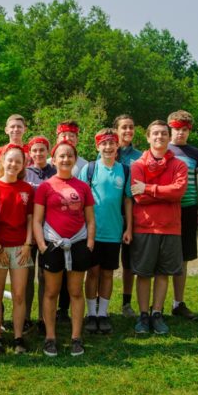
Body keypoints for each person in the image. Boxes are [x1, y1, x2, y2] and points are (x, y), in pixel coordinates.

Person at [33, 140, 95, 357]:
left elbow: (90, 219)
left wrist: (89, 244)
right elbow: (37, 220)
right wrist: (42, 245)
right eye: (61, 156)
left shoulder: (83, 187)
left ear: (75, 159)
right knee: (51, 292)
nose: (65, 159)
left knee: (76, 292)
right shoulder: (45, 187)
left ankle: (76, 337)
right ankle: (51, 337)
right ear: (54, 159)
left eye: (69, 156)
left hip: (78, 244)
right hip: (52, 245)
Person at [130, 120, 187, 335]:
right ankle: (143, 315)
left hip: (171, 227)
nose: (160, 137)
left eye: (164, 133)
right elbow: (138, 197)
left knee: (163, 273)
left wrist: (149, 188)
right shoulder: (138, 165)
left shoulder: (178, 165)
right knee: (143, 273)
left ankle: (157, 313)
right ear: (147, 137)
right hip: (145, 227)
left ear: (168, 137)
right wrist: (163, 193)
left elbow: (179, 192)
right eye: (155, 133)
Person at [79, 130, 132, 334]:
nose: (108, 147)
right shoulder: (89, 169)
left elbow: (127, 200)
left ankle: (103, 313)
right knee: (92, 273)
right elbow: (81, 200)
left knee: (108, 273)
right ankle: (91, 313)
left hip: (113, 231)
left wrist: (129, 227)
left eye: (112, 144)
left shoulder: (124, 171)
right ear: (97, 147)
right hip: (92, 232)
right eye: (104, 144)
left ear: (117, 146)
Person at [0, 144, 34, 354]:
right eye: (10, 160)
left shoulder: (26, 189)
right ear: (3, 161)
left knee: (19, 294)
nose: (13, 164)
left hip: (20, 249)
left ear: (23, 165)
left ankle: (18, 337)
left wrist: (27, 244)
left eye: (18, 161)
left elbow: (31, 219)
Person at [46, 120, 88, 321]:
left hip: (76, 229)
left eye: (71, 136)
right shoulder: (49, 161)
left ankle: (65, 309)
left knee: (74, 280)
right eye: (64, 135)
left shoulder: (85, 164)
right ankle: (48, 316)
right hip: (53, 231)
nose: (67, 138)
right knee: (51, 281)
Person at [167, 110, 198, 319]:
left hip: (189, 209)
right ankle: (155, 307)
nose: (179, 134)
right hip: (167, 209)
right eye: (176, 129)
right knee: (165, 256)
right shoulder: (163, 149)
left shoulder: (195, 153)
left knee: (184, 256)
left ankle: (178, 302)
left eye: (184, 130)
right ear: (169, 129)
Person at [24, 136, 56, 334]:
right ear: (30, 152)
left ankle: (44, 317)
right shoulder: (25, 173)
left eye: (42, 150)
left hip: (50, 232)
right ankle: (25, 317)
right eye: (34, 150)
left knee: (45, 277)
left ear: (48, 151)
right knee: (26, 277)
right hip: (28, 232)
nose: (38, 154)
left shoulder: (55, 172)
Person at [113, 114, 142, 318]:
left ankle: (126, 303)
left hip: (133, 213)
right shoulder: (106, 151)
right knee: (102, 263)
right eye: (124, 127)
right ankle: (98, 306)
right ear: (116, 130)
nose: (128, 131)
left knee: (129, 261)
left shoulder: (140, 157)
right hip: (110, 215)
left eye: (131, 127)